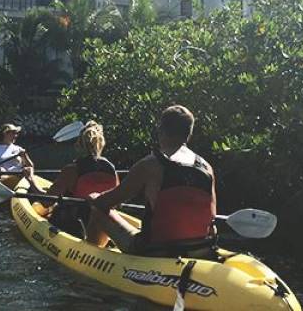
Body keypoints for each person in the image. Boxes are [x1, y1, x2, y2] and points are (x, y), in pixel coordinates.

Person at [87, 105, 217, 256]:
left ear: (160, 130)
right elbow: (211, 215)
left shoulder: (150, 164)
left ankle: (89, 256)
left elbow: (107, 203)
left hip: (154, 250)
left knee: (97, 210)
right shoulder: (206, 167)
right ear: (189, 134)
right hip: (200, 248)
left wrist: (94, 198)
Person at [38, 120, 119, 244]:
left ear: (78, 145)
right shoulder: (112, 169)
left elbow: (46, 202)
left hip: (73, 226)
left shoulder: (72, 169)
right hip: (103, 226)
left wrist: (30, 179)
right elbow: (117, 202)